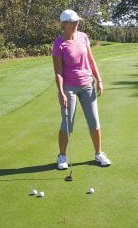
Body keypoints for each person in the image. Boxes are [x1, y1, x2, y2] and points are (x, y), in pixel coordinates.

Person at [52, 9, 111, 170]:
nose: (76, 24)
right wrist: (61, 91)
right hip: (69, 87)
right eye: (72, 22)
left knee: (94, 121)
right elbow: (58, 72)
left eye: (77, 21)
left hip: (87, 85)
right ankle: (62, 156)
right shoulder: (58, 44)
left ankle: (99, 153)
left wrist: (99, 79)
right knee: (67, 124)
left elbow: (91, 60)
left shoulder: (84, 37)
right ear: (64, 25)